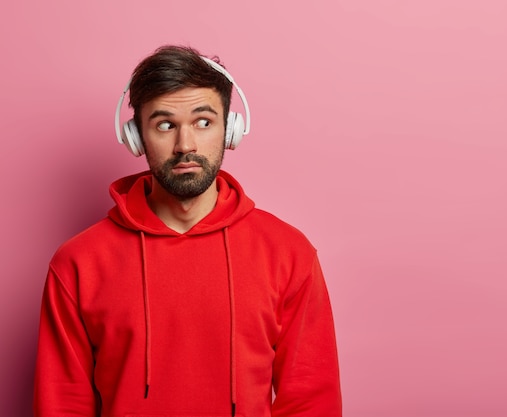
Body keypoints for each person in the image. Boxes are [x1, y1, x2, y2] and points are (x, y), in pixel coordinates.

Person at [34, 45, 342, 417]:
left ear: (230, 129)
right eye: (165, 125)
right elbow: (62, 405)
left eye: (203, 122)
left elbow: (310, 402)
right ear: (137, 137)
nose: (186, 145)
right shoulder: (77, 263)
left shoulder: (289, 254)